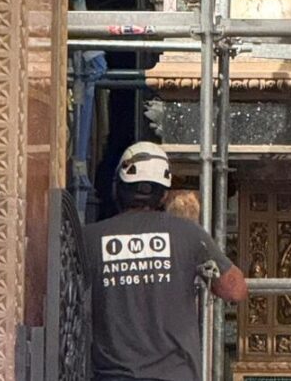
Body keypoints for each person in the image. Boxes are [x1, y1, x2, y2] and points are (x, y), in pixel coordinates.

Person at [84, 142, 248, 381]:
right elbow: (235, 290)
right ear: (163, 194)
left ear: (117, 188)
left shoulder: (91, 238)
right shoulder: (188, 235)